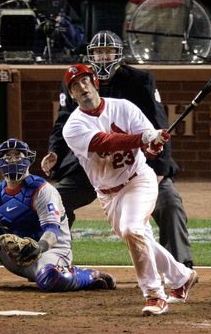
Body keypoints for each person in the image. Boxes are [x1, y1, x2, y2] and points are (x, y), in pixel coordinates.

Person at [41, 30, 193, 268]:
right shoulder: (75, 81)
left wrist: (158, 169)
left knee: (169, 201)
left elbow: (158, 125)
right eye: (98, 52)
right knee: (54, 201)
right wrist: (55, 152)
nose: (103, 57)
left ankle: (180, 265)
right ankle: (54, 262)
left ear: (118, 54)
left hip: (134, 163)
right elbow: (63, 121)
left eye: (107, 51)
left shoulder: (140, 80)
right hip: (91, 165)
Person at [61, 63, 197, 315]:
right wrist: (143, 139)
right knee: (138, 236)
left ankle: (154, 295)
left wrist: (153, 145)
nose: (82, 88)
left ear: (94, 83)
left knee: (132, 229)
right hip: (108, 194)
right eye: (75, 85)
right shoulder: (73, 126)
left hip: (138, 180)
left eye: (85, 81)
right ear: (71, 94)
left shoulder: (124, 107)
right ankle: (181, 276)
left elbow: (148, 139)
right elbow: (105, 141)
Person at [0, 138, 116, 293]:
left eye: (18, 155)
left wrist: (38, 248)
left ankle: (89, 276)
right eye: (8, 156)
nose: (13, 160)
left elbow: (52, 231)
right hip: (18, 255)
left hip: (49, 252)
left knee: (51, 279)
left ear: (28, 160)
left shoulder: (42, 190)